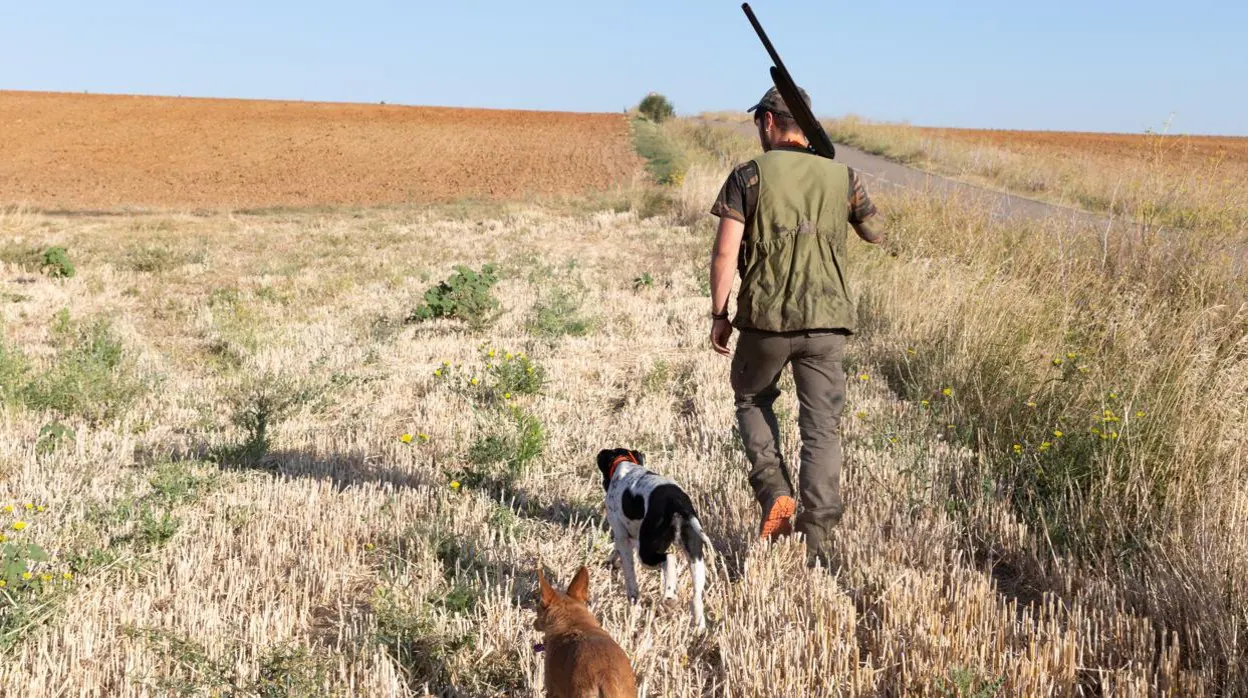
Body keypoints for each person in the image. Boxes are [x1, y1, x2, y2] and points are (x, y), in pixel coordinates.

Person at [708, 85, 884, 566]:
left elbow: (725, 253)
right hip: (828, 324)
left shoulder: (748, 176)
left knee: (751, 399)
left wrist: (720, 314)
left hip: (766, 322)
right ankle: (819, 538)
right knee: (822, 430)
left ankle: (774, 493)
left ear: (768, 121)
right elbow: (874, 232)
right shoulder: (842, 176)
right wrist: (834, 175)